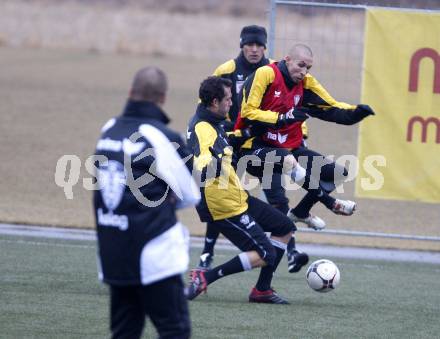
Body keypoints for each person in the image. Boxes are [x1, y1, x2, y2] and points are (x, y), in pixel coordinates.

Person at [236, 43, 375, 272]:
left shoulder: (306, 83)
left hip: (289, 148)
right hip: (256, 148)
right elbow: (249, 112)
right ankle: (271, 274)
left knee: (338, 173)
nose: (304, 71)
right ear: (287, 59)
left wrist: (356, 113)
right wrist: (284, 118)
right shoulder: (266, 73)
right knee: (279, 205)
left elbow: (331, 107)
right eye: (301, 65)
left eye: (308, 67)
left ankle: (301, 215)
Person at [93, 66, 200, 339]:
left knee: (124, 331)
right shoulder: (161, 136)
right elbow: (191, 194)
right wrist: (164, 199)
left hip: (114, 250)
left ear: (130, 92)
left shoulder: (108, 129)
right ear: (162, 98)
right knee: (174, 330)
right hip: (154, 254)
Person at [186, 76, 308, 304]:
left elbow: (226, 137)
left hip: (237, 197)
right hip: (222, 205)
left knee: (285, 227)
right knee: (265, 254)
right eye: (228, 99)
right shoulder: (204, 129)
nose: (231, 103)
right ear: (214, 102)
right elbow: (202, 155)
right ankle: (206, 276)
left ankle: (262, 290)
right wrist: (207, 161)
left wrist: (249, 132)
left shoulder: (211, 121)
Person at [197, 25, 310, 272]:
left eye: (259, 45)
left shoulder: (274, 69)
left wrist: (300, 136)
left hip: (262, 145)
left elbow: (294, 103)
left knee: (277, 196)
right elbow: (206, 106)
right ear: (242, 45)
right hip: (231, 144)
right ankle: (207, 252)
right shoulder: (226, 70)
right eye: (250, 44)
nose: (255, 49)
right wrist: (225, 133)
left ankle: (291, 251)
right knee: (222, 199)